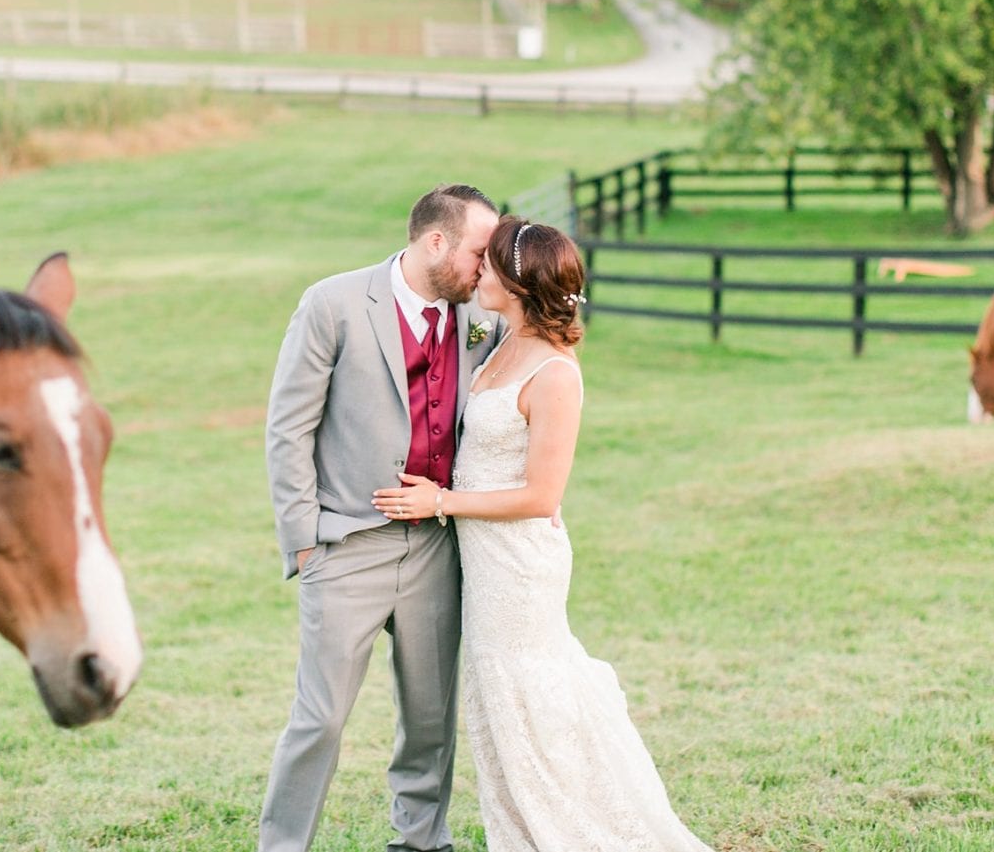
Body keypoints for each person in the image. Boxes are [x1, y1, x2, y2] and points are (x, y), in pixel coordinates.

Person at [373, 217, 713, 851]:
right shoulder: (496, 337)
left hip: (520, 569)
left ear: (516, 282)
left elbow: (541, 496)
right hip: (484, 561)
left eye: (488, 262)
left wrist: (439, 500)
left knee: (529, 701)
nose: (477, 271)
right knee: (500, 708)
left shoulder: (556, 375)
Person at [260, 183, 505, 852]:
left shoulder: (480, 317)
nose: (488, 268)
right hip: (345, 546)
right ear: (436, 242)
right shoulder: (333, 303)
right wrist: (305, 541)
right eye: (480, 252)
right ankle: (281, 845)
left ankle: (422, 840)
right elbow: (288, 429)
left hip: (436, 548)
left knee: (430, 718)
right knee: (320, 719)